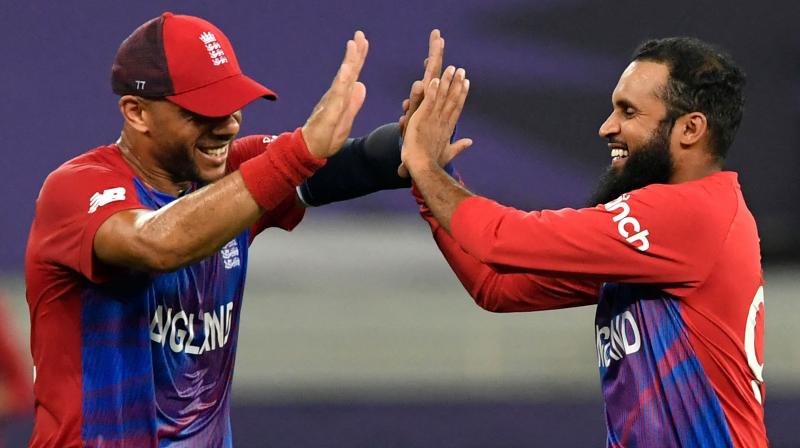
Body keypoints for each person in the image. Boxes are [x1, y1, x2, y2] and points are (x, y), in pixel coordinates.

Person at [24, 13, 450, 447]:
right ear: (137, 112)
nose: (228, 124)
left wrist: (412, 144)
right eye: (203, 110)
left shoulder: (237, 174)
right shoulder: (76, 189)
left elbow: (356, 162)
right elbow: (158, 242)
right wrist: (295, 154)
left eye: (232, 103)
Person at [402, 37, 766, 447]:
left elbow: (499, 238)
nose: (607, 127)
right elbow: (497, 285)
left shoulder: (691, 215)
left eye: (628, 112)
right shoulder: (657, 244)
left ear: (690, 128)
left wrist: (424, 163)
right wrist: (430, 182)